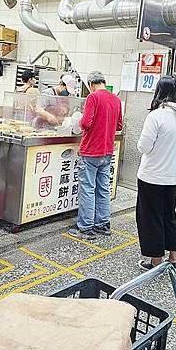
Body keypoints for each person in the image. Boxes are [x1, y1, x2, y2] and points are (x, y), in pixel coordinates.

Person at [135, 76, 176, 271]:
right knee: (169, 215)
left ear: (159, 91)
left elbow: (144, 146)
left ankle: (155, 260)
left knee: (151, 217)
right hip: (173, 176)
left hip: (152, 175)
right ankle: (174, 258)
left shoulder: (157, 115)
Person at [68, 71, 123, 240]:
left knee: (88, 189)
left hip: (91, 150)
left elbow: (85, 123)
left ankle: (85, 228)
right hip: (107, 151)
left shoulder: (93, 98)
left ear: (91, 84)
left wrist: (77, 121)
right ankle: (103, 224)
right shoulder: (116, 99)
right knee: (103, 189)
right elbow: (119, 125)